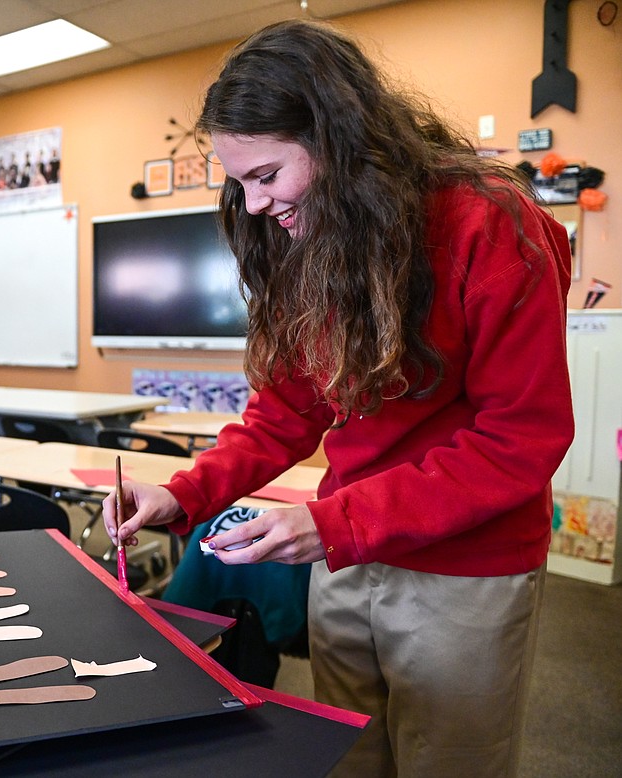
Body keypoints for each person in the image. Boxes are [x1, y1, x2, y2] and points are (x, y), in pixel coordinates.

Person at [103, 20, 574, 777]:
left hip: (464, 568)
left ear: (339, 141)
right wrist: (182, 494)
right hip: (347, 555)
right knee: (349, 755)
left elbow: (518, 442)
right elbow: (286, 412)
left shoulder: (490, 225)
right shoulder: (310, 234)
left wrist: (336, 523)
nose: (254, 205)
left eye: (266, 176)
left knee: (449, 760)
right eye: (239, 183)